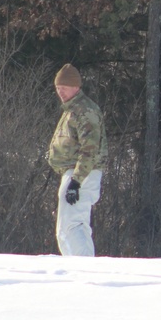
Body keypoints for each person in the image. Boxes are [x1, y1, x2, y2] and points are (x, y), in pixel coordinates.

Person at [47, 63, 108, 256]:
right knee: (66, 227)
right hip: (75, 173)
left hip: (82, 173)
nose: (60, 92)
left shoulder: (84, 111)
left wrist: (76, 181)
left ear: (76, 87)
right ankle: (73, 266)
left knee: (73, 225)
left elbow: (90, 149)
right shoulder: (71, 110)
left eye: (64, 88)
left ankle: (83, 267)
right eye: (58, 88)